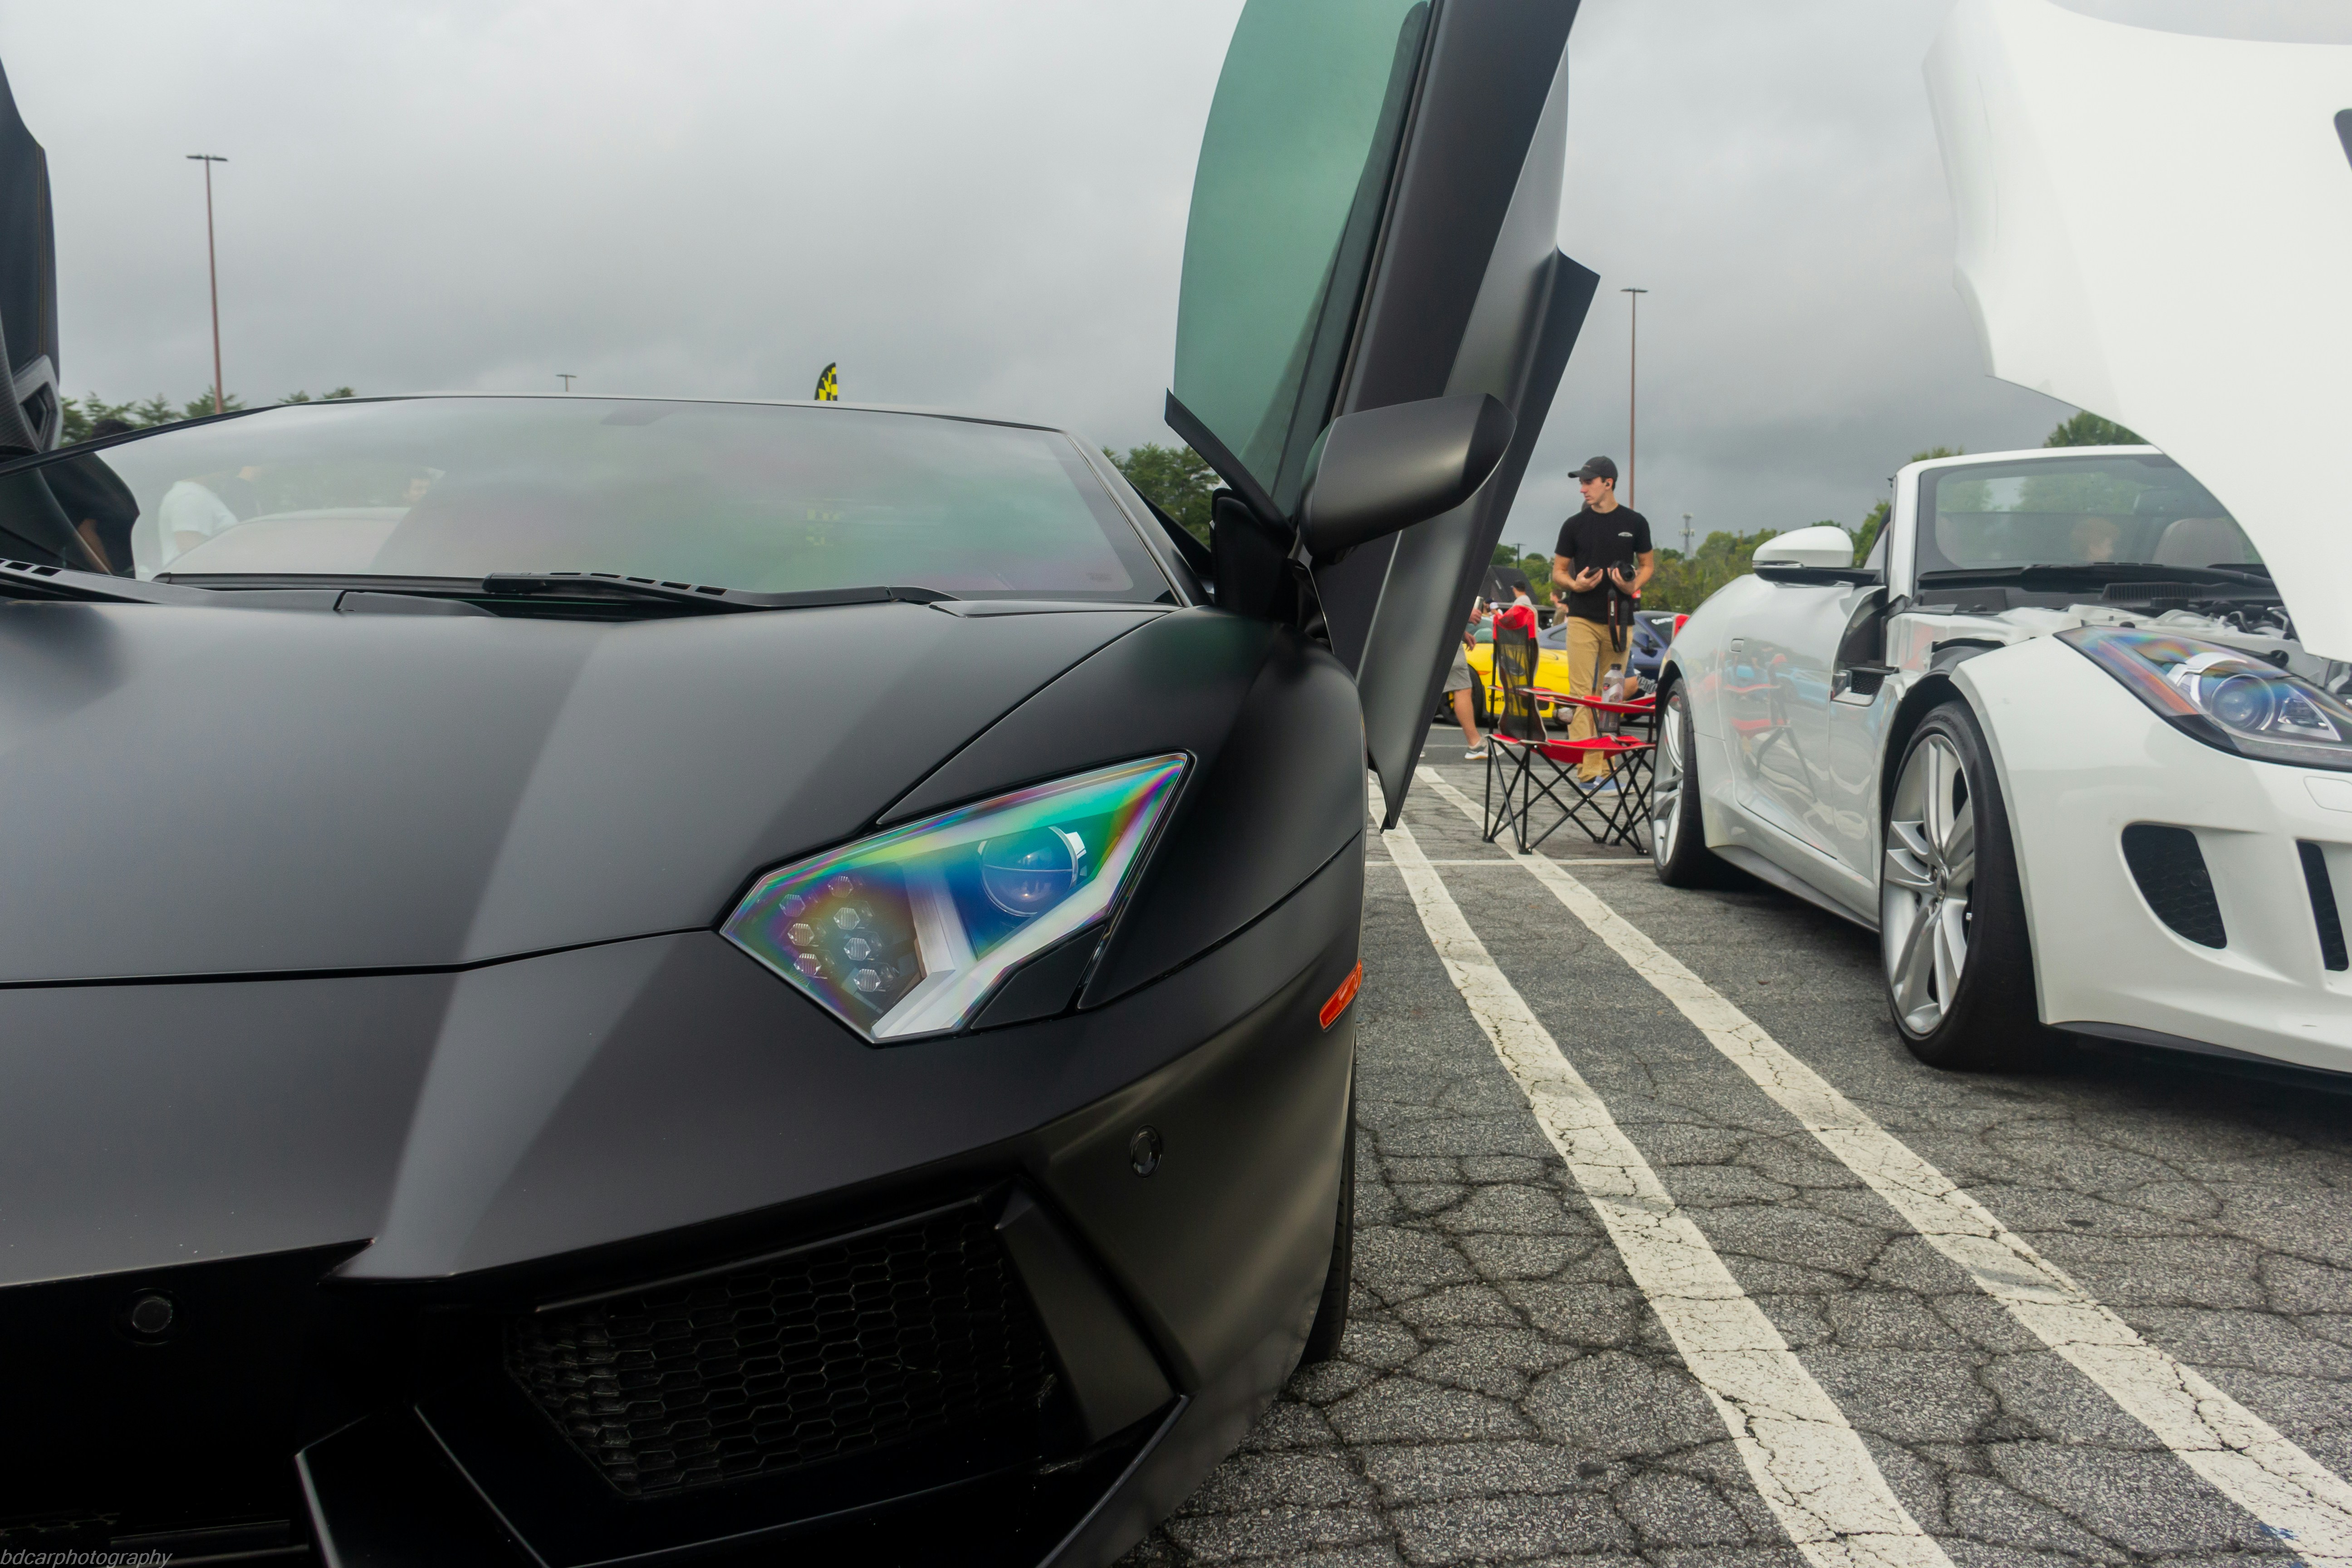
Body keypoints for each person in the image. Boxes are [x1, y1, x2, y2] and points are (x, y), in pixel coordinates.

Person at [1551, 456, 1654, 784]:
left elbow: (1648, 565)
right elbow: (1558, 572)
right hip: (1582, 616)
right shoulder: (1573, 525)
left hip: (1621, 620)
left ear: (1608, 482)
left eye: (1588, 482)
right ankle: (1589, 770)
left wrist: (1632, 584)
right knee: (1582, 693)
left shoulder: (1636, 523)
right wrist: (1575, 585)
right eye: (1580, 483)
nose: (1582, 489)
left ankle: (1605, 764)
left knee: (1611, 695)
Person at [1444, 615, 1486, 759]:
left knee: (1421, 692)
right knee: (1462, 688)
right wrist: (1466, 614)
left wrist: (1461, 633)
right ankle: (1475, 743)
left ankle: (1407, 748)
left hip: (1431, 634)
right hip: (1446, 638)